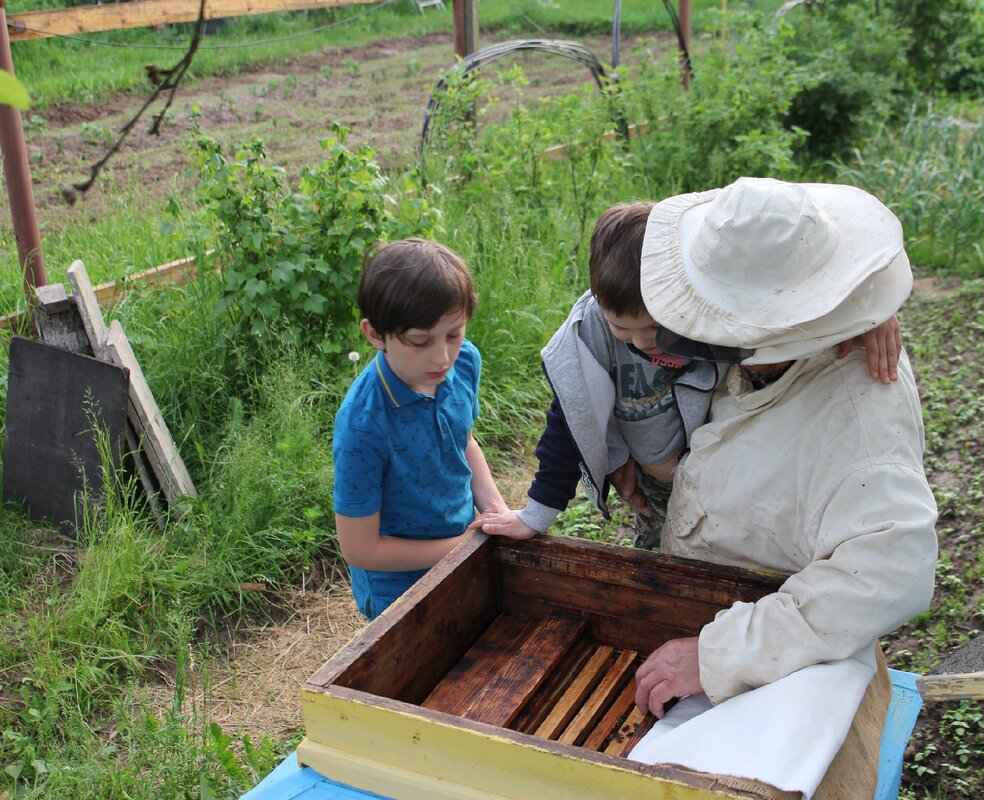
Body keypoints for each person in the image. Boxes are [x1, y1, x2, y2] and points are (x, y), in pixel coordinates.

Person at [625, 177, 939, 798]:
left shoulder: (861, 423)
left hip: (785, 672)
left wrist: (721, 656)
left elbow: (889, 572)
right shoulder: (782, 308)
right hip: (720, 593)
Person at [473, 202, 903, 550]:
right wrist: (537, 514)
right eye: (623, 328)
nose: (643, 342)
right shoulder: (590, 337)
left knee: (737, 564)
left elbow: (786, 291)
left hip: (729, 477)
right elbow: (572, 417)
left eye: (658, 326)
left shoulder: (711, 311)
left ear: (682, 294)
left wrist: (867, 314)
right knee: (664, 564)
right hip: (653, 485)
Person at [333, 238, 508, 620]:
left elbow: (463, 442)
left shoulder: (463, 363)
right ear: (375, 334)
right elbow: (360, 549)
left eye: (454, 334)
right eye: (419, 341)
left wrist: (494, 507)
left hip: (463, 554)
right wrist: (461, 545)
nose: (442, 356)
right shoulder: (363, 424)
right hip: (399, 592)